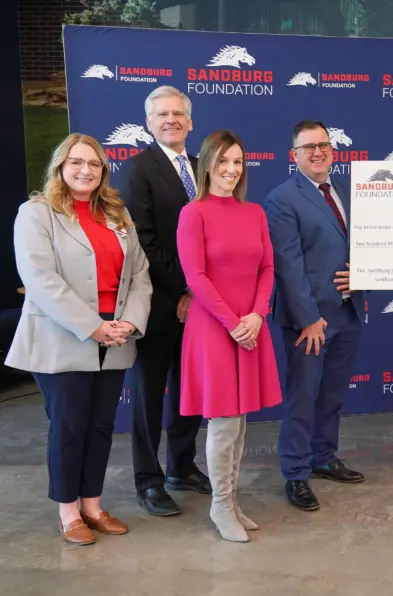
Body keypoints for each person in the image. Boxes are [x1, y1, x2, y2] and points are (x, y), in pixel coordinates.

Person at [6, 133, 152, 545]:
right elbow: (40, 279)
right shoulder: (37, 213)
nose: (85, 170)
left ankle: (92, 504)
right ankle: (68, 512)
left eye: (93, 163)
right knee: (69, 426)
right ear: (60, 167)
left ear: (103, 170)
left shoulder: (117, 214)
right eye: (76, 162)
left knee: (101, 426)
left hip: (116, 336)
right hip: (62, 336)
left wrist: (129, 322)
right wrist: (93, 326)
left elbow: (139, 274)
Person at [176, 130, 282, 542]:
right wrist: (232, 322)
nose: (231, 170)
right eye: (223, 162)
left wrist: (257, 314)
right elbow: (195, 276)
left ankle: (232, 501)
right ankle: (220, 506)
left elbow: (267, 269)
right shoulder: (194, 213)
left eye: (237, 162)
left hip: (250, 327)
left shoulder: (254, 212)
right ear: (207, 165)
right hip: (215, 330)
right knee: (223, 423)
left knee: (239, 422)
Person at [265, 120, 366, 512]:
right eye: (308, 147)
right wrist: (308, 318)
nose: (318, 152)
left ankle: (324, 456)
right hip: (310, 321)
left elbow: (368, 245)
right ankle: (295, 473)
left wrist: (365, 276)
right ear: (294, 155)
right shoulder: (282, 199)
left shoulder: (345, 191)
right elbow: (287, 265)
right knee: (303, 398)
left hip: (348, 311)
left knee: (332, 394)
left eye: (323, 144)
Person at [119, 85, 210, 516]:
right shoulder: (138, 169)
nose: (171, 120)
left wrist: (200, 293)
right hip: (158, 306)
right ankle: (148, 480)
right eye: (161, 114)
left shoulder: (203, 168)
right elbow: (145, 242)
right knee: (149, 396)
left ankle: (181, 466)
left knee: (189, 392)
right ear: (148, 123)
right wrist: (186, 289)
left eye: (178, 113)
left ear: (190, 122)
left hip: (201, 306)